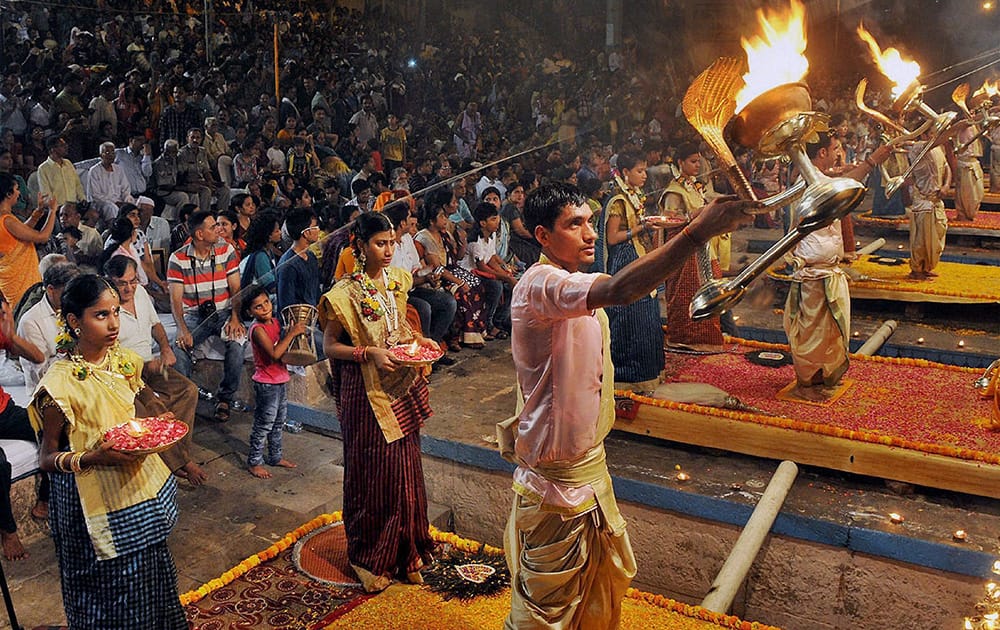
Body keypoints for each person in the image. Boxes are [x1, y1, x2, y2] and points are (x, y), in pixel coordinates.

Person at [500, 182, 753, 629]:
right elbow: (619, 290)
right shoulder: (540, 283)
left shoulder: (572, 283)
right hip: (557, 485)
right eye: (573, 225)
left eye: (588, 222)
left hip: (588, 471)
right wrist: (695, 233)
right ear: (541, 235)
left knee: (592, 598)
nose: (589, 234)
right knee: (545, 614)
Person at [29, 274, 188, 628]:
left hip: (138, 487)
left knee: (151, 576)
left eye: (115, 312)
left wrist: (157, 410)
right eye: (101, 315)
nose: (114, 323)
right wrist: (93, 458)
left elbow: (140, 386)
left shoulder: (119, 358)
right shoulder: (59, 385)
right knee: (113, 592)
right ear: (73, 321)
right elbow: (46, 459)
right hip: (91, 502)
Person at [319, 211, 437, 593]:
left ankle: (407, 550)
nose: (388, 250)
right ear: (360, 244)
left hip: (398, 383)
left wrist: (420, 342)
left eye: (391, 243)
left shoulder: (397, 281)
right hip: (363, 389)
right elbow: (329, 346)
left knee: (405, 468)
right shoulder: (344, 294)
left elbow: (398, 327)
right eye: (380, 243)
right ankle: (368, 556)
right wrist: (367, 353)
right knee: (373, 472)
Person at [784, 133, 891, 400]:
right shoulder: (809, 183)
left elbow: (838, 181)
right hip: (813, 275)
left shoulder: (819, 179)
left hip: (827, 273)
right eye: (835, 148)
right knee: (812, 335)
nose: (839, 152)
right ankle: (808, 384)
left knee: (829, 334)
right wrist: (872, 161)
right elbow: (841, 186)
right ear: (821, 154)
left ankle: (819, 380)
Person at [105, 255, 206, 486]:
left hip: (150, 364)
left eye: (133, 281)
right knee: (154, 407)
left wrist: (165, 347)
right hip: (124, 375)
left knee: (188, 390)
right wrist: (141, 365)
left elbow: (155, 325)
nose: (129, 288)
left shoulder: (140, 294)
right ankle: (182, 462)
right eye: (122, 283)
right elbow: (110, 354)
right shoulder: (107, 308)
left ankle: (174, 457)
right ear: (110, 282)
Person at [168, 210, 246, 422]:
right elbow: (175, 300)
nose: (218, 230)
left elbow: (236, 289)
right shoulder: (178, 258)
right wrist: (182, 329)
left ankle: (225, 398)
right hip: (195, 315)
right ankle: (186, 399)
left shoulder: (225, 249)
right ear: (200, 234)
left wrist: (235, 318)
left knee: (238, 343)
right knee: (179, 347)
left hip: (223, 312)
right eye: (213, 227)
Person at [600, 152, 668, 390]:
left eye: (644, 171)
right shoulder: (618, 201)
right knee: (632, 317)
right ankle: (628, 373)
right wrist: (641, 227)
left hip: (637, 257)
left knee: (648, 317)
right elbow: (612, 237)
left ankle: (648, 371)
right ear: (625, 172)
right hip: (625, 260)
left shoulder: (633, 197)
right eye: (639, 171)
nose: (644, 175)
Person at [657, 143, 726, 351]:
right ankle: (684, 338)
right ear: (680, 163)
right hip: (685, 253)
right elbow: (669, 224)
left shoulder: (693, 186)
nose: (698, 165)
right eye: (693, 161)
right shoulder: (674, 192)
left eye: (699, 161)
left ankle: (707, 339)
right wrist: (695, 216)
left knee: (711, 289)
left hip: (703, 248)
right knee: (685, 295)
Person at [0, 289, 48, 561]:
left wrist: (11, 335)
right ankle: (9, 532)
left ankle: (45, 500)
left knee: (55, 429)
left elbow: (38, 357)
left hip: (3, 410)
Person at [244, 287, 305, 479]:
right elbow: (275, 354)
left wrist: (291, 332)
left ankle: (275, 456)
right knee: (264, 424)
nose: (264, 308)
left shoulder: (276, 323)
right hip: (266, 384)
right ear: (250, 312)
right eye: (258, 307)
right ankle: (254, 462)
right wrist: (292, 333)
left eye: (266, 303)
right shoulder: (257, 330)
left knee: (279, 422)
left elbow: (285, 347)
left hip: (280, 379)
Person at [18, 262, 79, 391]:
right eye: (68, 293)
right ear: (51, 289)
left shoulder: (77, 308)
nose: (75, 298)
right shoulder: (31, 322)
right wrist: (69, 351)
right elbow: (41, 374)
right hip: (49, 393)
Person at [0, 173, 57, 308]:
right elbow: (42, 237)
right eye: (16, 189)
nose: (19, 193)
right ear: (8, 194)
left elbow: (22, 232)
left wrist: (39, 211)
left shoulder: (6, 218)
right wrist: (52, 211)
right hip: (19, 284)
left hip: (12, 282)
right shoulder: (7, 220)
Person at [906, 134, 950, 280]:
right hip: (923, 201)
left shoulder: (938, 148)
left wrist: (946, 185)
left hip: (937, 201)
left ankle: (926, 267)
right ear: (924, 134)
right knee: (921, 239)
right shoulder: (918, 147)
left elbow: (947, 168)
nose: (936, 135)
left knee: (937, 237)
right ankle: (917, 269)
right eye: (932, 132)